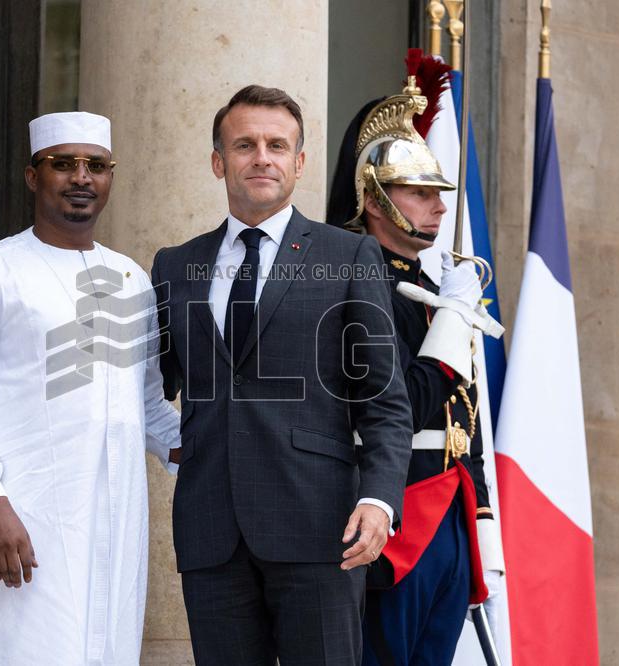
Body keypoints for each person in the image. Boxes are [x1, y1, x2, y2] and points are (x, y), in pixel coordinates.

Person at [151, 85, 413, 665]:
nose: (261, 157)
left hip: (321, 528)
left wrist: (380, 499)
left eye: (276, 145)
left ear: (298, 162)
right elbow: (146, 385)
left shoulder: (348, 257)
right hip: (211, 531)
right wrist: (179, 443)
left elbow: (385, 400)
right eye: (244, 145)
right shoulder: (176, 265)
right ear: (219, 161)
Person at [0, 111, 181, 665]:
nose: (81, 177)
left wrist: (223, 447)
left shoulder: (132, 281)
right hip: (25, 523)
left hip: (114, 528)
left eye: (96, 165)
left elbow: (148, 409)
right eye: (63, 164)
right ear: (32, 176)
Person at [326, 67, 504, 666]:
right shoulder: (356, 281)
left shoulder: (430, 285)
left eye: (438, 193)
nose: (437, 206)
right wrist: (454, 321)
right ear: (375, 199)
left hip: (448, 514)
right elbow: (401, 405)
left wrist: (477, 510)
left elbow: (465, 412)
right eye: (418, 192)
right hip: (395, 513)